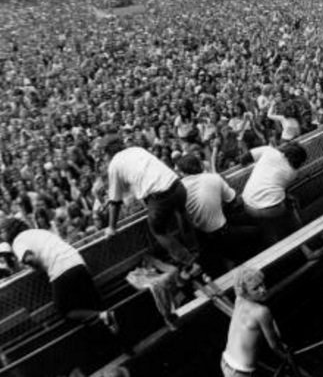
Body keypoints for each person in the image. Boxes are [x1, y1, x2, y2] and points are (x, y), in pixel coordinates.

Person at [103, 134, 201, 278]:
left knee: (158, 230)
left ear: (108, 152)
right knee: (180, 211)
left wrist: (112, 227)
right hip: (177, 185)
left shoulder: (114, 164)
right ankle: (194, 250)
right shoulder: (136, 149)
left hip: (160, 197)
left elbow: (115, 202)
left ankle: (189, 262)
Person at [1, 218, 119, 334]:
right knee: (94, 303)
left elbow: (29, 258)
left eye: (2, 231)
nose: (1, 235)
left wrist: (37, 267)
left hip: (60, 269)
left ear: (10, 230)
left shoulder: (18, 241)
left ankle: (102, 316)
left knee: (65, 310)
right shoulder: (37, 232)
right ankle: (119, 338)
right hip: (76, 261)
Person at [176, 154, 259, 276]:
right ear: (200, 166)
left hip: (201, 240)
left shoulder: (179, 188)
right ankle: (249, 265)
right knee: (256, 232)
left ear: (182, 173)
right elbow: (232, 200)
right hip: (220, 234)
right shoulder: (213, 178)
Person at [240, 141, 308, 249]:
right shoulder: (293, 173)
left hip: (248, 205)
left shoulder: (269, 151)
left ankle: (277, 248)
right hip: (271, 210)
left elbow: (244, 158)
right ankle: (302, 241)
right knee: (290, 206)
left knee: (268, 226)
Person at [221, 267, 283, 377]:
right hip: (240, 373)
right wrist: (287, 354)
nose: (262, 290)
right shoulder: (262, 312)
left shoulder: (239, 300)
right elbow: (275, 346)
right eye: (255, 288)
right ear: (245, 292)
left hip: (225, 361)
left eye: (262, 284)